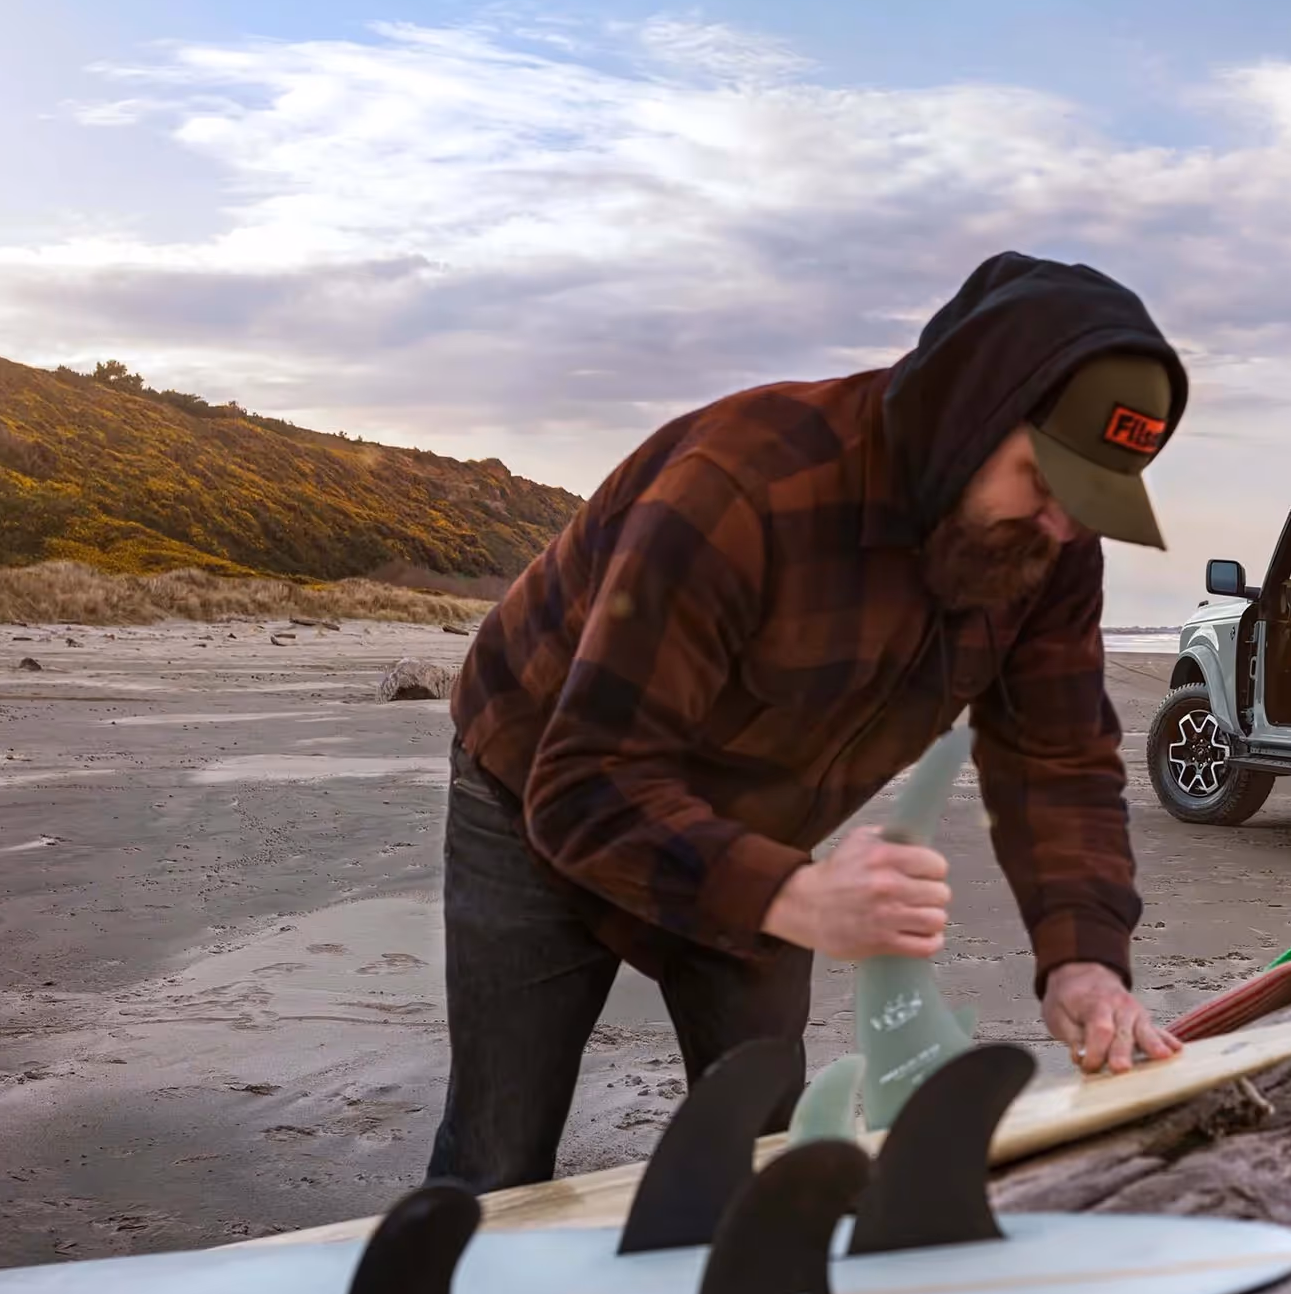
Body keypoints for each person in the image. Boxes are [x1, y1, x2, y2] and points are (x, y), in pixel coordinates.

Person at [428, 251, 1188, 1193]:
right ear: (966, 414)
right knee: (501, 1148)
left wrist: (1083, 958)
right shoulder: (742, 485)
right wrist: (800, 897)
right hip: (539, 785)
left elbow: (1058, 758)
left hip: (751, 826)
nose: (1061, 528)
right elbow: (585, 784)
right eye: (1044, 480)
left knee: (764, 1139)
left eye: (1090, 504)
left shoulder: (1046, 545)